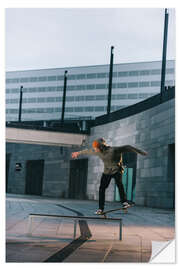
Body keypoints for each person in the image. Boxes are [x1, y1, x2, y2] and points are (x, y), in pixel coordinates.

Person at [71, 138, 147, 215]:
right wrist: (77, 153)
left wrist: (140, 152)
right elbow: (87, 151)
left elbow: (127, 147)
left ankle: (124, 202)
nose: (95, 150)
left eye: (96, 148)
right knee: (102, 189)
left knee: (119, 184)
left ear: (101, 147)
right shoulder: (98, 151)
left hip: (116, 170)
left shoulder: (113, 150)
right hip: (107, 171)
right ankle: (101, 209)